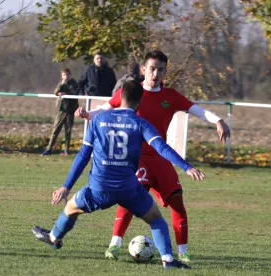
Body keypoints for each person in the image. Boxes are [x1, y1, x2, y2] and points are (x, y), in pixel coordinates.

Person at [75, 50, 231, 263]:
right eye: (152, 68)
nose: (155, 73)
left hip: (161, 157)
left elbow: (197, 110)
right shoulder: (130, 92)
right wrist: (87, 115)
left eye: (160, 69)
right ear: (143, 70)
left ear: (165, 72)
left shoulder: (171, 97)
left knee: (177, 203)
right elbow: (105, 109)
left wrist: (218, 120)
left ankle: (183, 253)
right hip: (136, 158)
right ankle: (115, 245)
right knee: (129, 201)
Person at [32, 80, 205, 269]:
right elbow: (161, 147)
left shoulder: (98, 120)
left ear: (120, 96)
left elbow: (83, 155)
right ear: (139, 102)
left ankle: (54, 237)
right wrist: (187, 167)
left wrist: (66, 186)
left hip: (99, 189)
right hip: (129, 189)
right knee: (156, 219)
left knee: (72, 207)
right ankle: (168, 260)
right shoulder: (140, 124)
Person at [42, 68, 79, 156]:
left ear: (70, 75)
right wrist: (60, 87)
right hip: (61, 110)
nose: (66, 76)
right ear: (62, 76)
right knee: (55, 130)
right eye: (64, 75)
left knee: (68, 131)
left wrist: (66, 93)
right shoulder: (61, 83)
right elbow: (55, 92)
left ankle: (66, 150)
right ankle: (49, 149)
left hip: (70, 110)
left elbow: (76, 92)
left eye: (67, 74)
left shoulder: (73, 83)